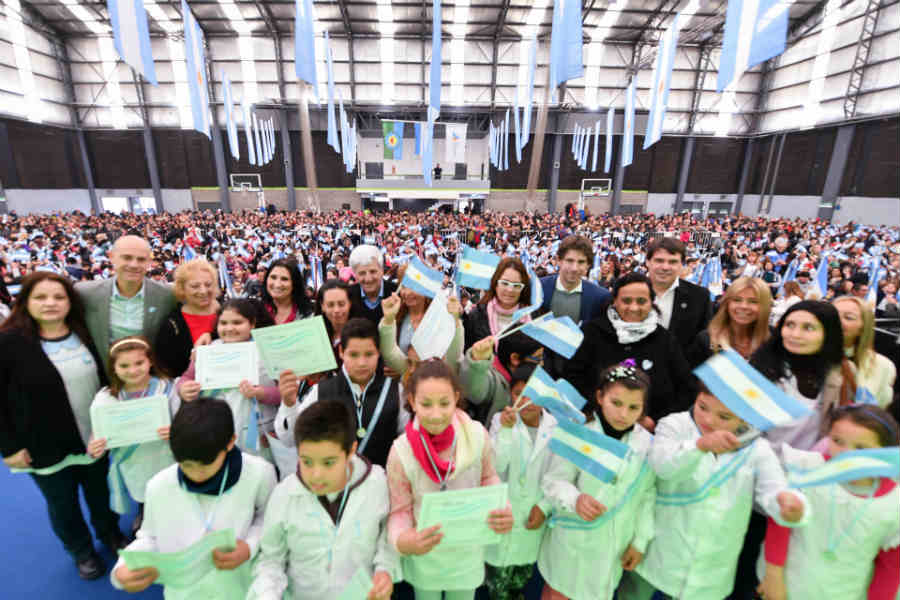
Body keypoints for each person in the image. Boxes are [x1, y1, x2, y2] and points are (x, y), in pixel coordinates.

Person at [618, 383, 809, 600]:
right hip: (657, 561)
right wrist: (699, 446)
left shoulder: (756, 448)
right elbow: (662, 467)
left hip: (712, 574)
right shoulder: (674, 425)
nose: (708, 420)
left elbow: (774, 488)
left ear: (745, 418)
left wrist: (787, 503)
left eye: (724, 416)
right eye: (702, 407)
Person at [0, 272, 127, 579]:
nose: (50, 304)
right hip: (43, 445)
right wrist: (9, 447)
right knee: (62, 504)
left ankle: (109, 534)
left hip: (92, 437)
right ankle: (81, 551)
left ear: (70, 303)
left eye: (58, 297)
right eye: (40, 297)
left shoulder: (83, 333)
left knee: (100, 494)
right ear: (25, 301)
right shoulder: (9, 343)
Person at [111, 397, 277, 599]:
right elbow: (150, 536)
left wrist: (249, 546)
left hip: (241, 587)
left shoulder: (260, 473)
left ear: (230, 442)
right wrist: (125, 567)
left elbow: (268, 520)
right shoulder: (159, 485)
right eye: (186, 465)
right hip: (185, 593)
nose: (196, 474)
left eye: (205, 465)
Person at [386, 359, 514, 600]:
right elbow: (400, 510)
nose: (436, 415)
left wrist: (502, 508)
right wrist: (404, 540)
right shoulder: (401, 451)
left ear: (456, 398)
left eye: (444, 403)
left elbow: (489, 477)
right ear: (412, 401)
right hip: (425, 556)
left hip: (467, 553)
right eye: (426, 404)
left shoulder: (476, 435)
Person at [247, 401, 400, 600]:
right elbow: (271, 560)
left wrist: (385, 571)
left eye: (328, 463)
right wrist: (267, 595)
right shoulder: (284, 495)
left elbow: (387, 539)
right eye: (307, 461)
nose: (316, 475)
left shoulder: (377, 483)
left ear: (351, 450)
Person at [756, 405, 900, 600]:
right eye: (837, 441)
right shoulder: (807, 469)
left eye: (861, 448)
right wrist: (773, 577)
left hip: (842, 592)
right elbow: (780, 523)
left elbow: (891, 566)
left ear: (885, 451)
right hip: (784, 585)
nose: (845, 454)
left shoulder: (894, 503)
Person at [539, 361, 656, 600]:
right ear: (600, 396)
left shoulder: (647, 446)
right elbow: (554, 481)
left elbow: (647, 495)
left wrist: (640, 541)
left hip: (611, 549)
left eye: (634, 407)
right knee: (558, 592)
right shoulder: (579, 434)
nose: (624, 414)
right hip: (571, 541)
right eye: (617, 403)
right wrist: (575, 499)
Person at [563, 273, 695, 428]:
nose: (633, 308)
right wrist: (597, 410)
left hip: (648, 432)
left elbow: (686, 390)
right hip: (595, 425)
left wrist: (656, 420)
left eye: (641, 301)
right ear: (614, 301)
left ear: (651, 302)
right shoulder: (592, 332)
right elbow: (572, 377)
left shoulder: (665, 340)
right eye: (626, 301)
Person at [275, 318, 407, 468]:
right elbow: (290, 439)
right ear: (341, 352)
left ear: (379, 353)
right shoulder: (322, 391)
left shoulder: (396, 390)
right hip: (335, 484)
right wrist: (289, 404)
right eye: (354, 355)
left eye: (369, 354)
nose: (361, 363)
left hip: (383, 483)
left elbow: (406, 442)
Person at [87, 336, 179, 535]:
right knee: (144, 494)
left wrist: (176, 431)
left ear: (150, 361)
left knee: (171, 495)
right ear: (114, 368)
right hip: (133, 462)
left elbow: (182, 421)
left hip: (166, 457)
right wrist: (94, 447)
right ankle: (146, 516)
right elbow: (98, 434)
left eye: (139, 363)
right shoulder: (106, 398)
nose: (133, 370)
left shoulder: (167, 389)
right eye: (124, 365)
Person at [483, 362, 556, 600]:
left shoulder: (555, 429)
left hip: (532, 520)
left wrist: (545, 506)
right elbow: (496, 465)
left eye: (533, 395)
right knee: (497, 588)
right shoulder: (499, 422)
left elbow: (557, 475)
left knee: (520, 583)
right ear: (510, 395)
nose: (526, 401)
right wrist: (505, 430)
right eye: (518, 394)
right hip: (504, 515)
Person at [178, 299, 280, 461]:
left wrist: (260, 393)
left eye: (237, 322)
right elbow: (185, 378)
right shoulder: (207, 350)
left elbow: (283, 392)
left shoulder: (266, 351)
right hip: (215, 429)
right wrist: (183, 389)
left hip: (259, 433)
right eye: (223, 323)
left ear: (252, 324)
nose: (230, 328)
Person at [76, 235, 176, 377]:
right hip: (107, 382)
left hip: (152, 381)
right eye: (127, 258)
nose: (134, 264)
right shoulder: (86, 293)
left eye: (141, 259)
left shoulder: (167, 294)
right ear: (111, 257)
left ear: (149, 262)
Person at [538, 236, 611, 378]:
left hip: (581, 373)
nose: (574, 268)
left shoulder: (600, 297)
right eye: (569, 261)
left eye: (581, 262)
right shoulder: (539, 288)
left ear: (588, 265)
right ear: (559, 260)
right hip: (542, 370)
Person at [463, 257, 533, 382]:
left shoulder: (534, 316)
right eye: (505, 283)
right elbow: (466, 357)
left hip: (522, 394)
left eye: (516, 285)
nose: (510, 290)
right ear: (495, 283)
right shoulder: (476, 316)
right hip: (485, 389)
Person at [379, 280, 465, 380]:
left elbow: (454, 354)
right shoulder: (398, 315)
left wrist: (455, 321)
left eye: (414, 287)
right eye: (404, 287)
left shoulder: (441, 315)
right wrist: (388, 319)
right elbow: (390, 353)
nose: (407, 293)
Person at [155, 257, 221, 378]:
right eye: (195, 286)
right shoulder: (172, 325)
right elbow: (166, 371)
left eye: (208, 284)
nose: (203, 291)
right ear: (182, 289)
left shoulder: (229, 311)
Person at [644, 238, 712, 353]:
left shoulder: (700, 297)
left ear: (682, 264)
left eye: (672, 262)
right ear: (647, 262)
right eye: (659, 261)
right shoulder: (628, 291)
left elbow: (706, 341)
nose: (665, 267)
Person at [687, 277, 772, 369]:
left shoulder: (774, 340)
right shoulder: (706, 339)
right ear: (727, 303)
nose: (743, 306)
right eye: (737, 300)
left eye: (753, 301)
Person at [459, 333, 543, 425]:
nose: (541, 363)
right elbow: (474, 391)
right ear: (515, 358)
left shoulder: (536, 380)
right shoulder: (492, 379)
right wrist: (477, 361)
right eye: (537, 358)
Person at [833, 295, 896, 408]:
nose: (837, 321)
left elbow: (880, 410)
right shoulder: (807, 356)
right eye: (832, 315)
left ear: (864, 326)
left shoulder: (883, 365)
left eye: (848, 317)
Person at [349, 245, 398, 326]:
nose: (368, 279)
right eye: (362, 273)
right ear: (355, 275)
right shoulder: (347, 297)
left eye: (373, 271)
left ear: (382, 270)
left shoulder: (396, 293)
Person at [260, 259, 313, 325]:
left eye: (284, 279)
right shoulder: (254, 311)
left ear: (295, 283)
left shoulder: (309, 317)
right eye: (273, 277)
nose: (277, 284)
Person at [316, 279, 353, 367]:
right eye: (330, 305)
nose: (336, 310)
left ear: (350, 303)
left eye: (341, 304)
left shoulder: (362, 333)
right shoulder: (316, 336)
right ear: (322, 306)